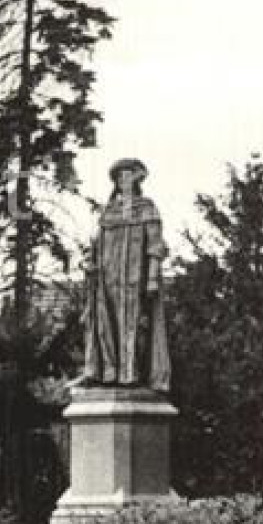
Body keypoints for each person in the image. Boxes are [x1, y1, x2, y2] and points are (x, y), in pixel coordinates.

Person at [78, 157, 171, 392]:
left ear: (136, 178)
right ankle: (106, 373)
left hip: (135, 280)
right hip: (107, 280)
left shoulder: (147, 208)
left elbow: (155, 247)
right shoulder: (108, 212)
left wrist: (151, 277)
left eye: (128, 174)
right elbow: (94, 245)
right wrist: (89, 263)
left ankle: (131, 374)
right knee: (105, 325)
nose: (123, 180)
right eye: (119, 176)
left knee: (135, 325)